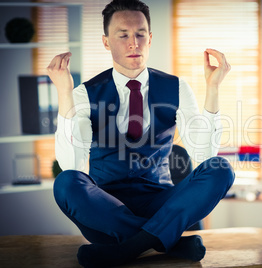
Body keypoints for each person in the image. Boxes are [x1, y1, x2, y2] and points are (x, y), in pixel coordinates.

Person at [46, 0, 234, 267]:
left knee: (220, 168)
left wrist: (213, 90)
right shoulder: (84, 93)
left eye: (140, 34)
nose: (133, 43)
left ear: (150, 38)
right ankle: (168, 243)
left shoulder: (177, 87)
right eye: (123, 35)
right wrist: (64, 93)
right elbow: (72, 164)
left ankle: (128, 248)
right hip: (106, 211)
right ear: (106, 42)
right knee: (65, 183)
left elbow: (204, 155)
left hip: (161, 203)